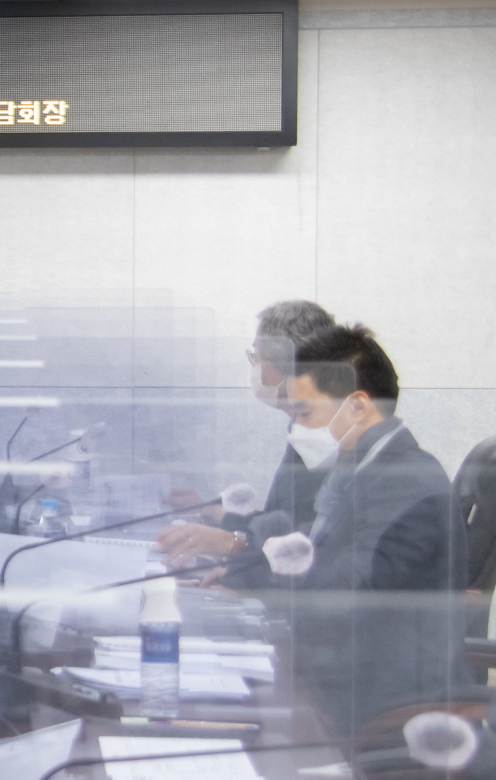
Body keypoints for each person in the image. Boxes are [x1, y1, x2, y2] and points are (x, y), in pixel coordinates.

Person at [264, 322, 469, 732]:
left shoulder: (404, 482)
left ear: (357, 407)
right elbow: (323, 551)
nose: (297, 430)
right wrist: (243, 553)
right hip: (342, 672)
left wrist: (257, 576)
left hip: (377, 704)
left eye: (305, 413)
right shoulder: (366, 469)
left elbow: (341, 591)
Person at [161, 299, 337, 569]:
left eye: (257, 357)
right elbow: (282, 523)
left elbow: (308, 547)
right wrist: (217, 513)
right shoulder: (302, 427)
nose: (254, 367)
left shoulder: (324, 437)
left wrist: (231, 544)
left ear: (285, 364)